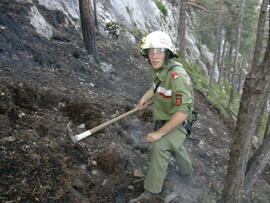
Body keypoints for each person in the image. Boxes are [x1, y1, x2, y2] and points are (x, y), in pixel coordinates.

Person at [130, 31, 194, 202]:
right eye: (151, 51)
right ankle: (187, 173)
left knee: (160, 146)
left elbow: (183, 112)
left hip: (180, 121)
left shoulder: (177, 76)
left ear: (167, 53)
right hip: (165, 118)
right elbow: (155, 86)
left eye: (159, 51)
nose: (154, 56)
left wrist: (159, 133)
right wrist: (144, 98)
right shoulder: (158, 70)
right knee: (175, 145)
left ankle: (151, 192)